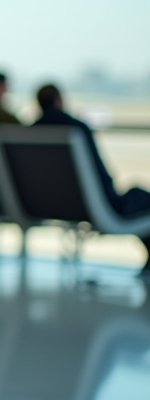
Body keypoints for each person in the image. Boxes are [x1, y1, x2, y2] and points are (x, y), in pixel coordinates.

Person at [34, 84, 150, 273]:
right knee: (140, 196)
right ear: (59, 101)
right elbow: (101, 176)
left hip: (57, 204)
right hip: (97, 206)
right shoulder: (76, 129)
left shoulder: (31, 132)